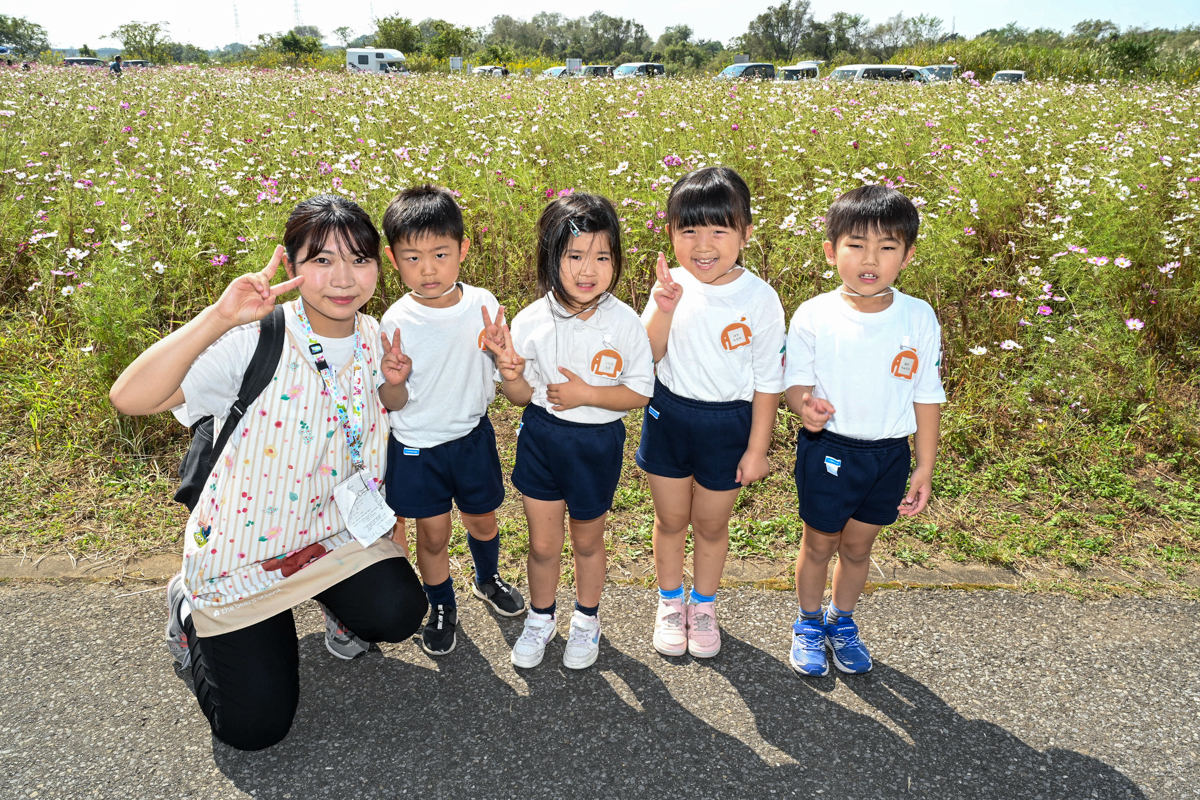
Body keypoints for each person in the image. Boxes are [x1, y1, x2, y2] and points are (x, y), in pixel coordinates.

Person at [109, 195, 427, 751]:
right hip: (243, 554)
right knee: (255, 730)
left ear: (379, 266)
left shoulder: (373, 334)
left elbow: (374, 415)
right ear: (291, 263)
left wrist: (393, 390)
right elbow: (130, 397)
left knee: (399, 610)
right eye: (322, 260)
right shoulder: (254, 338)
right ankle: (188, 605)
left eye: (359, 259)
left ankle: (338, 605)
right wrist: (219, 317)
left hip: (332, 537)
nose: (343, 279)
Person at [484, 193, 654, 670]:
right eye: (575, 255)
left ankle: (586, 618)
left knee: (587, 541)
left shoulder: (625, 322)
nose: (588, 269)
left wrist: (588, 395)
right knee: (542, 544)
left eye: (602, 257)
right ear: (551, 258)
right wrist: (510, 372)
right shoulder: (531, 320)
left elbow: (640, 393)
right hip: (542, 438)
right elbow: (520, 397)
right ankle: (541, 617)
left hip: (596, 444)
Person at [784, 184, 946, 677]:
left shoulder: (918, 316)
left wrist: (924, 465)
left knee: (858, 548)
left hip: (889, 455)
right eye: (856, 245)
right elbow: (794, 384)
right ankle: (808, 623)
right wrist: (805, 408)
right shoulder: (815, 313)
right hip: (828, 449)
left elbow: (927, 394)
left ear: (908, 255)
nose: (870, 259)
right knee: (819, 545)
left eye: (887, 247)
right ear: (831, 250)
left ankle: (842, 621)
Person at [637, 166, 786, 659]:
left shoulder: (760, 299)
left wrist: (757, 449)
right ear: (671, 233)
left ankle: (703, 605)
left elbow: (768, 382)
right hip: (668, 416)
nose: (703, 245)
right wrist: (663, 306)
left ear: (746, 233)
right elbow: (647, 356)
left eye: (719, 230)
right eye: (689, 230)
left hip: (729, 425)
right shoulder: (670, 286)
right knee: (670, 519)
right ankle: (669, 601)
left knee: (711, 524)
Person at [377, 184, 525, 657]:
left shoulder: (483, 306)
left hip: (471, 438)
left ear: (463, 249)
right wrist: (395, 381)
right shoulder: (394, 322)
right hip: (416, 447)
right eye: (413, 257)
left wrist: (505, 358)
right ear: (392, 259)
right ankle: (441, 605)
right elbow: (392, 401)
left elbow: (507, 377)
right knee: (433, 534)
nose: (428, 269)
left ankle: (487, 578)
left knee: (483, 520)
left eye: (440, 254)